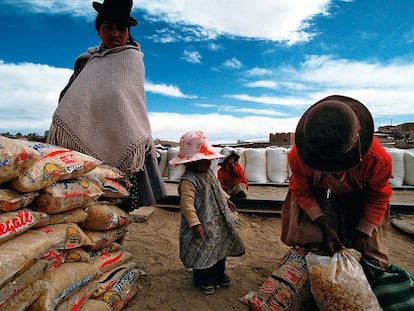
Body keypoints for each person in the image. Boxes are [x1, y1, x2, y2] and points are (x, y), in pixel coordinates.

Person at [46, 0, 166, 211]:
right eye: (108, 27)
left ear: (128, 32)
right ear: (98, 30)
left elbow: (128, 103)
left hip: (123, 137)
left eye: (121, 28)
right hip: (82, 140)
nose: (115, 33)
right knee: (83, 203)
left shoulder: (132, 59)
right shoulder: (87, 61)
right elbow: (71, 96)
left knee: (117, 205)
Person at [281, 95, 392, 269]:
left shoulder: (376, 160)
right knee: (315, 245)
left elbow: (378, 197)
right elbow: (301, 191)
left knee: (370, 255)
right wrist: (323, 225)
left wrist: (363, 233)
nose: (335, 170)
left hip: (360, 194)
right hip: (322, 191)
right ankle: (313, 250)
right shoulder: (300, 157)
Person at [169, 131, 245, 295]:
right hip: (201, 224)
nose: (207, 163)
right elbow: (187, 206)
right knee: (201, 252)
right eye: (203, 160)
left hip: (217, 222)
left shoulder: (209, 174)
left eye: (208, 159)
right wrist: (195, 224)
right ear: (190, 162)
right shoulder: (188, 181)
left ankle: (219, 274)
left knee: (219, 248)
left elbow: (216, 188)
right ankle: (201, 279)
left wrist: (226, 199)